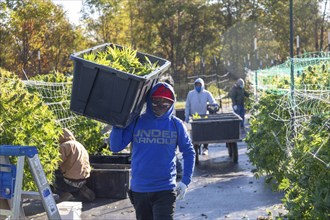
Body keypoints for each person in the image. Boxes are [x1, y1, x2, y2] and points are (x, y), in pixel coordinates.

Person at [110, 82, 195, 220]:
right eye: (156, 101)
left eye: (165, 102)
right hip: (140, 190)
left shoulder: (176, 124)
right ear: (149, 101)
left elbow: (189, 152)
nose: (160, 106)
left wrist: (185, 181)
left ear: (172, 103)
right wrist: (117, 124)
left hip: (165, 189)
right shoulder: (137, 121)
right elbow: (115, 146)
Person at [54, 128, 95, 202]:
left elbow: (56, 163)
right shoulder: (79, 144)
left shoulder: (64, 146)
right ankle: (79, 190)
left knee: (52, 176)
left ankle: (64, 193)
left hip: (70, 181)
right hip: (83, 178)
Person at [185, 78, 219, 156]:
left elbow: (212, 101)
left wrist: (215, 105)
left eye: (199, 85)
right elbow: (187, 106)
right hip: (195, 117)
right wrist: (186, 115)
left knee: (205, 133)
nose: (198, 86)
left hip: (204, 116)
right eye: (196, 85)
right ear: (194, 85)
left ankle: (205, 148)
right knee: (196, 133)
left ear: (202, 85)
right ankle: (196, 146)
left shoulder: (206, 93)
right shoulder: (191, 94)